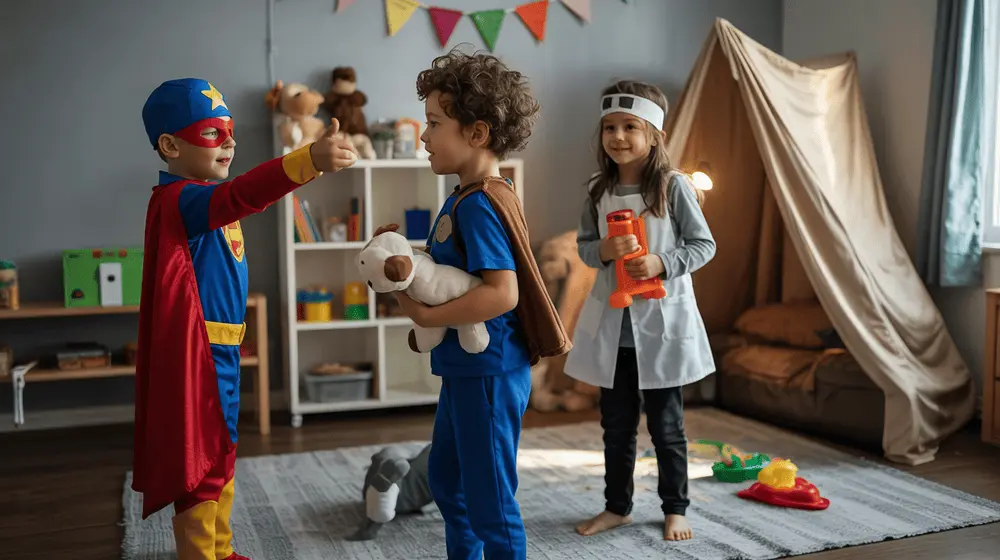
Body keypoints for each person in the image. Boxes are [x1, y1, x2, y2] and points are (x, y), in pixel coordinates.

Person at [132, 78, 358, 560]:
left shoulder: (200, 198)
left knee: (224, 451)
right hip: (200, 355)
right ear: (170, 145)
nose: (230, 142)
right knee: (203, 458)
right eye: (212, 133)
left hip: (225, 350)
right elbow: (242, 195)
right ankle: (198, 553)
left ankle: (220, 548)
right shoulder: (182, 200)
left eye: (230, 131)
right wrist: (306, 161)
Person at [376, 49, 570, 560]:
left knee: (490, 500)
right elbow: (455, 275)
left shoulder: (481, 203)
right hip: (468, 370)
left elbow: (502, 293)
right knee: (447, 478)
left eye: (434, 123)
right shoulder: (465, 195)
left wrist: (427, 317)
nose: (424, 136)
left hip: (489, 371)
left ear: (477, 133)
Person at [564, 79, 717, 542]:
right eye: (609, 126)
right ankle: (617, 507)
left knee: (667, 428)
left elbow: (703, 245)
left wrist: (661, 263)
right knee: (616, 427)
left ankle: (675, 508)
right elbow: (584, 246)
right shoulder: (597, 190)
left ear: (654, 135)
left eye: (630, 126)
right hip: (615, 331)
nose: (618, 136)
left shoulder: (673, 188)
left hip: (662, 325)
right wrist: (603, 250)